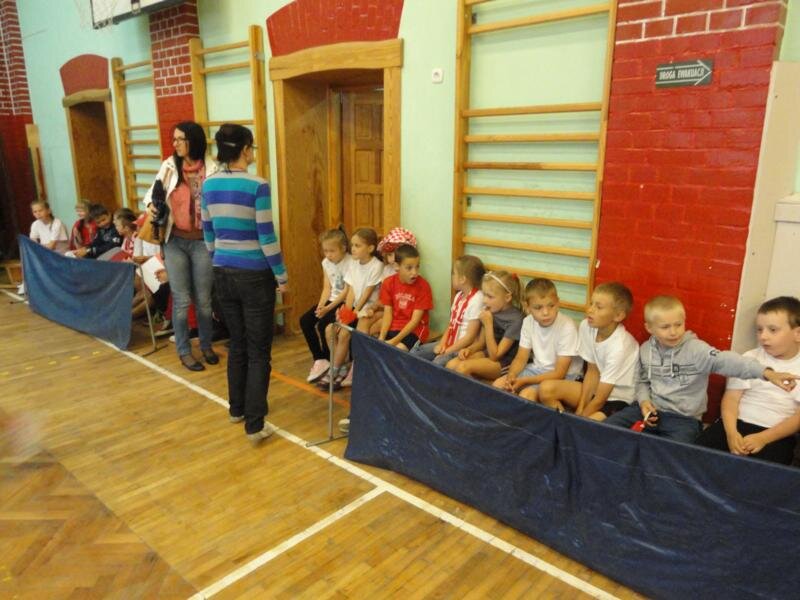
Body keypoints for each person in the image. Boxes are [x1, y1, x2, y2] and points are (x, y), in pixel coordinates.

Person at [603, 295, 799, 444]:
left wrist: (767, 373)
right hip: (647, 411)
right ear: (650, 328)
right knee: (606, 430)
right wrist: (644, 402)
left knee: (674, 456)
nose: (673, 332)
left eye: (678, 325)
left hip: (683, 419)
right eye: (665, 327)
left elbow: (726, 361)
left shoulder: (696, 350)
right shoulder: (646, 350)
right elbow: (642, 381)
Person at [202, 123, 288, 446]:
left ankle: (236, 409)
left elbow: (208, 232)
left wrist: (220, 259)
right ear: (245, 150)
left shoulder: (209, 185)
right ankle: (255, 424)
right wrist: (281, 275)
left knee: (237, 343)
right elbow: (266, 236)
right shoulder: (258, 185)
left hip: (222, 271)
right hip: (254, 275)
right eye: (251, 147)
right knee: (259, 351)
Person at [145, 121, 219, 371]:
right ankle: (185, 351)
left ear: (193, 141)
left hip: (202, 241)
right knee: (181, 299)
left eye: (180, 139)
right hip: (174, 241)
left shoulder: (212, 168)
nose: (174, 143)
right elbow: (150, 196)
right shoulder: (169, 166)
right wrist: (153, 206)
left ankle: (206, 345)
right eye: (174, 139)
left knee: (204, 300)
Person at [696, 296, 800, 463]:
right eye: (759, 329)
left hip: (775, 433)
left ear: (798, 334)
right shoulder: (750, 358)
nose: (763, 336)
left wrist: (763, 438)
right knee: (697, 454)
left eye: (773, 330)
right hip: (735, 423)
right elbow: (731, 399)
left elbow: (797, 418)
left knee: (766, 471)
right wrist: (731, 433)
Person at [538, 282, 639, 420]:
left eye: (599, 307)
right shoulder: (587, 326)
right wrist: (580, 410)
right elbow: (592, 371)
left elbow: (601, 399)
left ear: (618, 316)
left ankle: (573, 426)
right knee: (546, 389)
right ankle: (564, 423)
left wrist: (581, 418)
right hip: (596, 389)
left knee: (589, 423)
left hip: (617, 398)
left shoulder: (619, 346)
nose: (590, 310)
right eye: (591, 303)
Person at [493, 278, 583, 402]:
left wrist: (525, 381)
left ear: (558, 303)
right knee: (498, 385)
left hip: (563, 376)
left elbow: (560, 373)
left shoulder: (567, 327)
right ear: (527, 307)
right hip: (536, 369)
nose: (546, 312)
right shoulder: (527, 322)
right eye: (538, 307)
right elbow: (521, 358)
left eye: (551, 306)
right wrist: (511, 376)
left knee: (526, 395)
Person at [319, 227, 383, 389]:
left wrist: (352, 315)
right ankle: (341, 367)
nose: (352, 248)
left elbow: (367, 294)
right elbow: (351, 292)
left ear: (370, 248)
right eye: (352, 245)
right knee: (329, 330)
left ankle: (334, 371)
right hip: (354, 308)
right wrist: (345, 313)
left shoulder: (376, 266)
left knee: (344, 333)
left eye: (357, 246)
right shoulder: (354, 264)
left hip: (367, 309)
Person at [446, 270, 524, 381]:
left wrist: (488, 324)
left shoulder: (516, 319)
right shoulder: (489, 310)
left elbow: (495, 356)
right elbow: (481, 343)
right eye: (484, 295)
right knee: (451, 365)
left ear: (507, 297)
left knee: (463, 367)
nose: (484, 300)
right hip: (486, 354)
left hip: (504, 363)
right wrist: (470, 349)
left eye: (490, 297)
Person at [411, 254, 484, 366]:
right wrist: (442, 344)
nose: (452, 276)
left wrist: (447, 351)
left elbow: (469, 337)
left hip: (461, 349)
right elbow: (451, 325)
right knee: (415, 352)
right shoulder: (459, 296)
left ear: (462, 279)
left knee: (437, 364)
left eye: (453, 273)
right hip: (450, 343)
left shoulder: (477, 299)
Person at [301, 228, 353, 383]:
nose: (328, 255)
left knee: (324, 324)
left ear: (343, 248)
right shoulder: (326, 262)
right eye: (325, 251)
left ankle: (333, 362)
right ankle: (320, 358)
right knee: (305, 321)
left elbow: (346, 291)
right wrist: (321, 306)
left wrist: (328, 309)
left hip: (343, 302)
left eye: (332, 251)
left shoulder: (350, 262)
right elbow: (327, 287)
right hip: (329, 301)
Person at [377, 243, 434, 350]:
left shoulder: (423, 286)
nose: (414, 272)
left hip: (415, 331)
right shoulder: (388, 283)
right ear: (396, 266)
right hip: (395, 326)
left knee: (396, 351)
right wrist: (381, 337)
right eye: (409, 268)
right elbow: (387, 314)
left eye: (417, 267)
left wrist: (393, 341)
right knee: (377, 346)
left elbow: (415, 321)